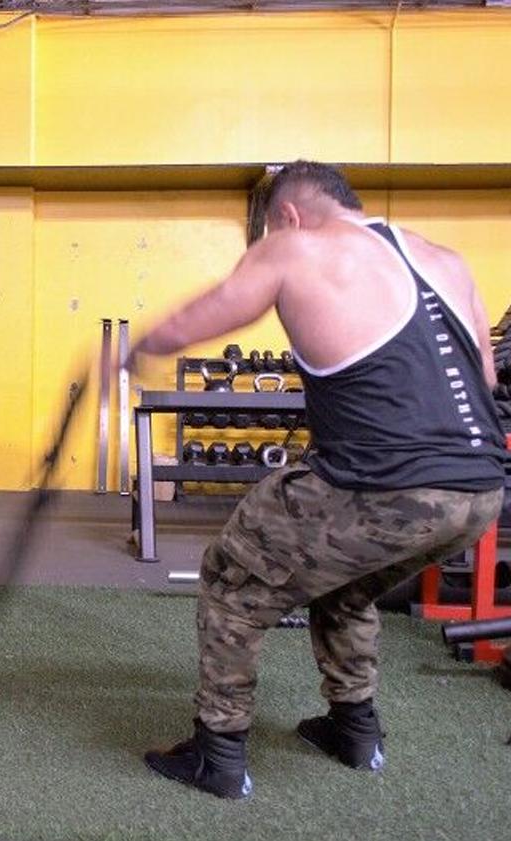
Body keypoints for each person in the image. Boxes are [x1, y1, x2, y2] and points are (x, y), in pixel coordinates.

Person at [125, 160, 507, 800]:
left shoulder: (295, 245)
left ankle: (218, 755)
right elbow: (487, 384)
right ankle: (354, 731)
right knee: (346, 587)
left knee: (231, 578)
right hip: (479, 491)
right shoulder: (446, 259)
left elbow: (211, 313)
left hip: (386, 485)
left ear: (289, 215)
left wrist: (135, 348)